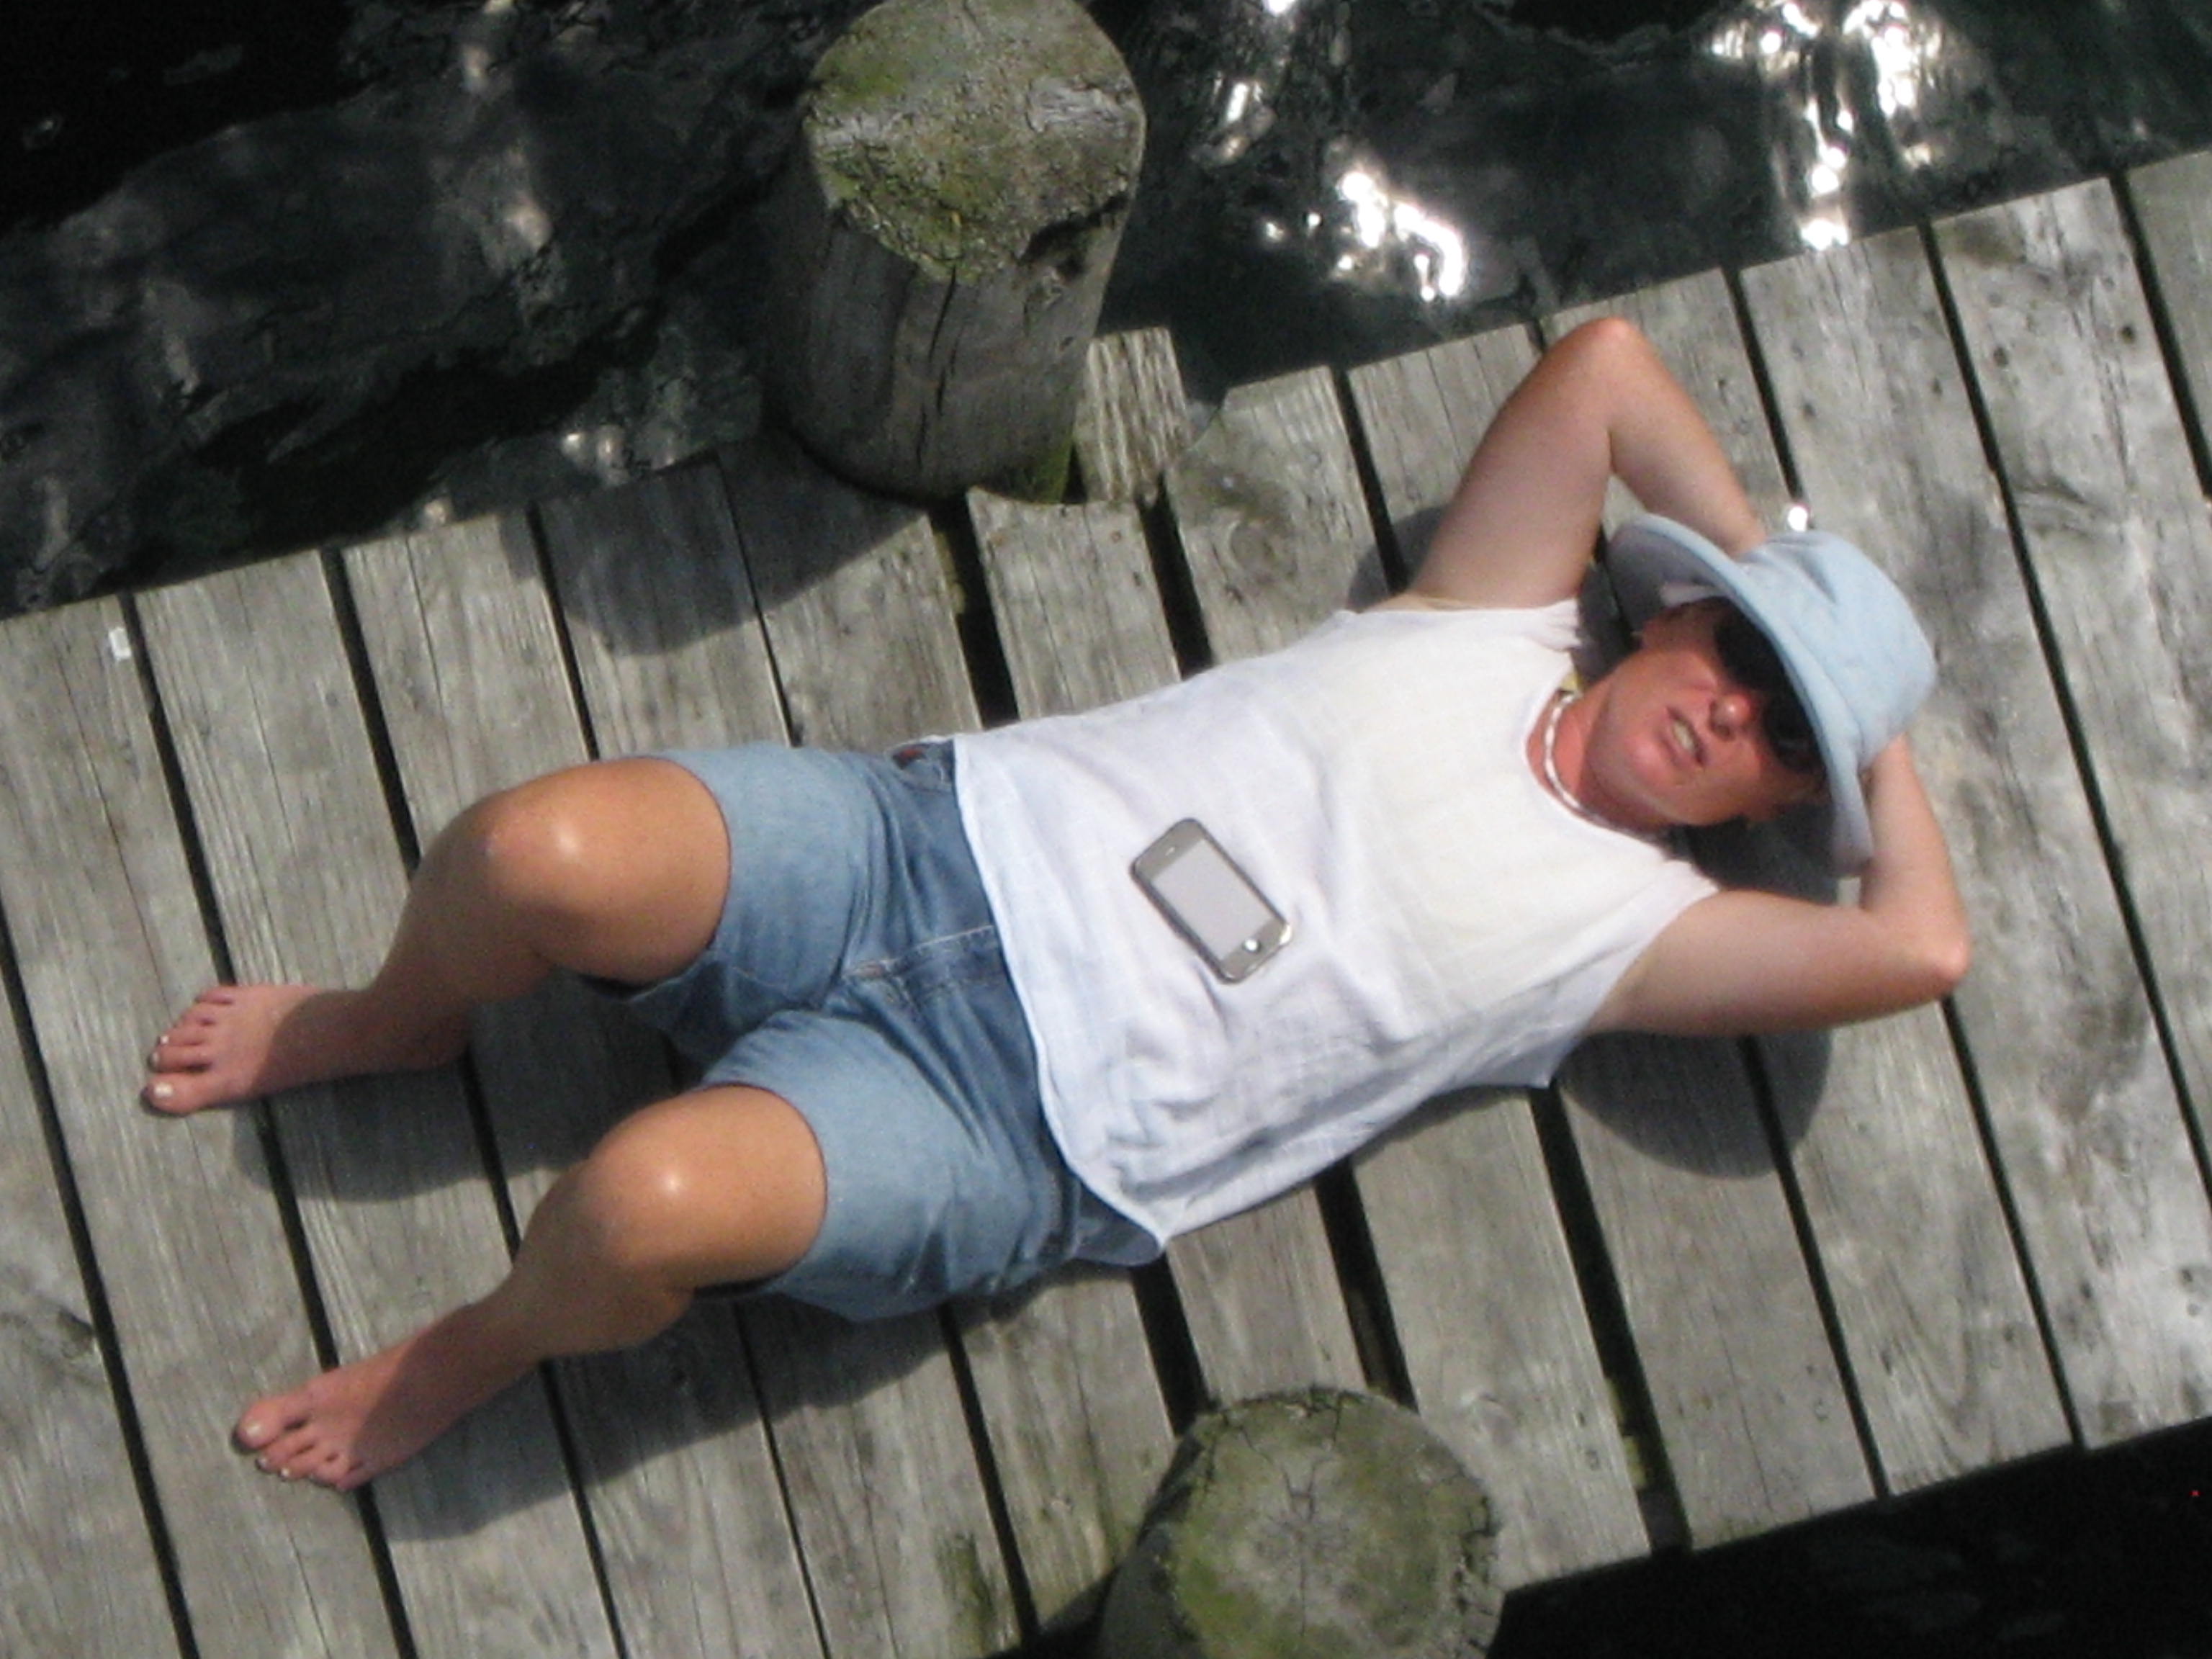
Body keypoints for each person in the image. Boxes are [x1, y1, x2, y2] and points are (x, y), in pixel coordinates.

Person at [142, 317, 1969, 1491]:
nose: (1734, 710)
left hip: (1013, 1120)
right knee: (524, 851)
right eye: (1740, 654)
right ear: (1674, 611)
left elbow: (1917, 945)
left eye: (1782, 739)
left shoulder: (1635, 934)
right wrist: (1782, 580)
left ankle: (474, 1351)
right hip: (924, 845)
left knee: (634, 1205)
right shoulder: (1492, 617)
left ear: (1778, 803)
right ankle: (397, 1018)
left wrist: (1866, 738)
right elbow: (1610, 369)